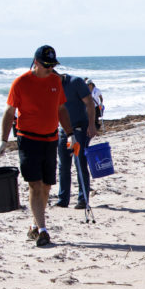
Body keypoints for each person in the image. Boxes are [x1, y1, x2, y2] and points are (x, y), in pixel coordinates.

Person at [0, 45, 74, 247]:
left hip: (51, 138)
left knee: (46, 187)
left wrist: (71, 134)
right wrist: (4, 140)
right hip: (28, 139)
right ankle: (43, 230)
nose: (50, 69)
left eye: (53, 65)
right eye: (46, 65)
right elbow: (9, 112)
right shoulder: (21, 83)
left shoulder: (56, 81)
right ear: (36, 63)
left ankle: (34, 225)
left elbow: (61, 109)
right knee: (35, 184)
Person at [54, 73, 99, 209]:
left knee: (80, 163)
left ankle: (83, 199)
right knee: (63, 166)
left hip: (80, 129)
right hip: (64, 131)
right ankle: (63, 199)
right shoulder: (51, 86)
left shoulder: (76, 82)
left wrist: (92, 125)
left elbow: (90, 103)